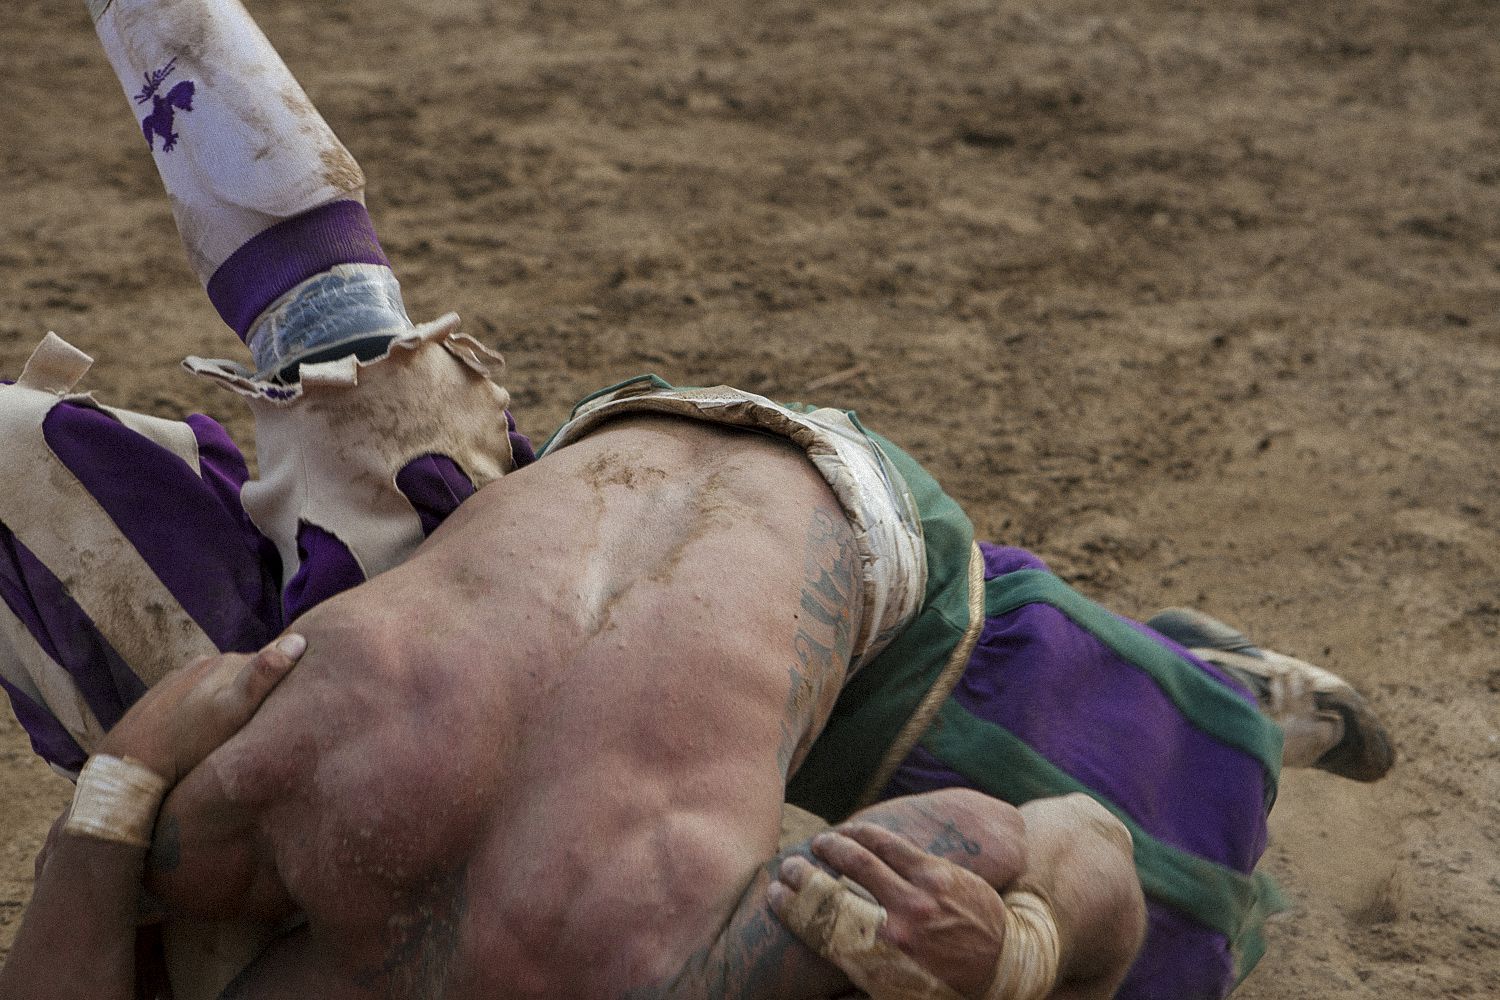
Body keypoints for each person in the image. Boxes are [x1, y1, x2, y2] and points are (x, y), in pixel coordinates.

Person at [0, 2, 1393, 999]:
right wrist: (1017, 947)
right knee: (1167, 897)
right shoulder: (286, 837)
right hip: (753, 512)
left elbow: (1078, 847)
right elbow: (1085, 847)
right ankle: (1213, 690)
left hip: (718, 511)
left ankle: (1202, 695)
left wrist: (120, 796)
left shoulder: (272, 836)